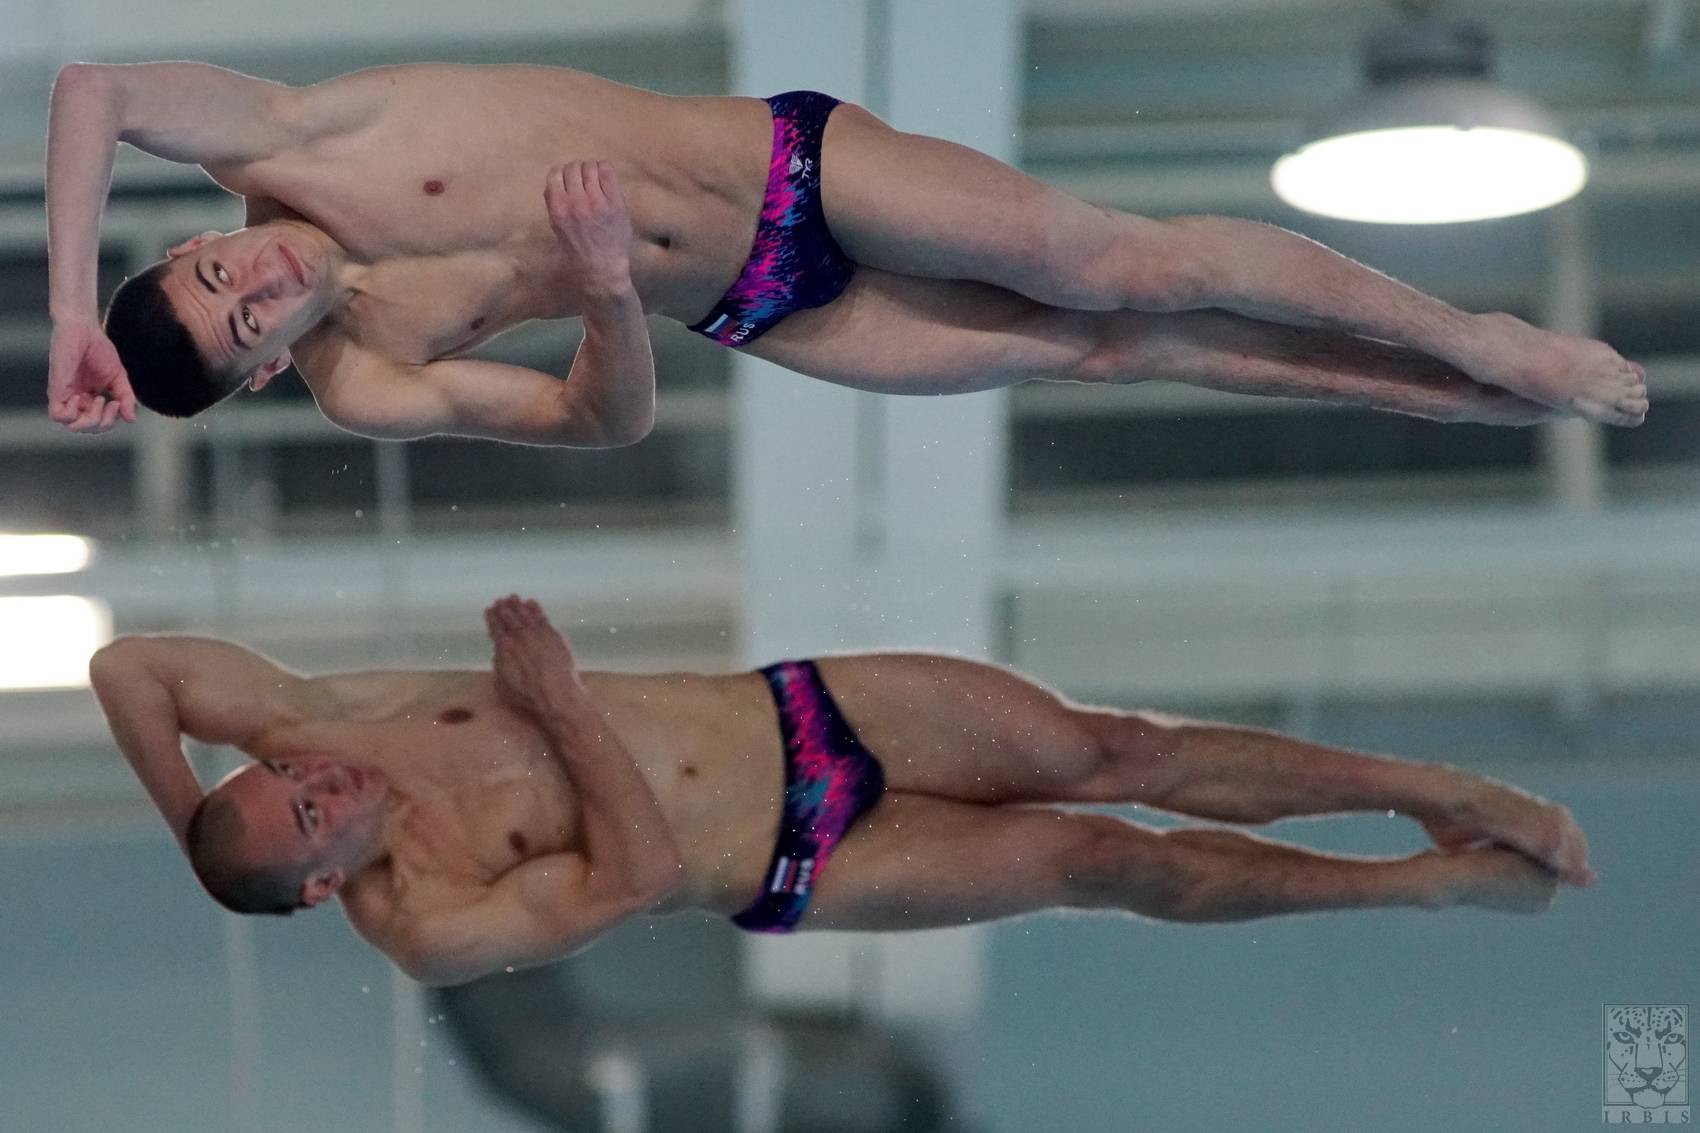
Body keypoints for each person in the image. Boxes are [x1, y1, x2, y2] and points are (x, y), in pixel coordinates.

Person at [47, 61, 1647, 443]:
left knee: (1120, 270)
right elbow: (606, 426)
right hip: (753, 302)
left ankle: (1488, 339)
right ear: (266, 368)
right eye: (248, 326)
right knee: (1094, 351)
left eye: (216, 275)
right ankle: (1448, 394)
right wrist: (607, 297)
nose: (259, 291)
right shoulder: (368, 382)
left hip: (796, 171)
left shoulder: (296, 138)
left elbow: (88, 86)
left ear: (206, 236)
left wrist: (70, 321)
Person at [88, 595, 1592, 987]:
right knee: (1094, 856)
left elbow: (132, 672)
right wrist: (556, 707)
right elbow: (623, 884)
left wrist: (199, 835)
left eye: (286, 778)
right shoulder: (423, 917)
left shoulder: (312, 713)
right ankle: (1422, 879)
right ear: (317, 885)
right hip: (796, 860)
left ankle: (1427, 784)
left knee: (1111, 747)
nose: (319, 778)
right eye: (302, 815)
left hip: (801, 708)